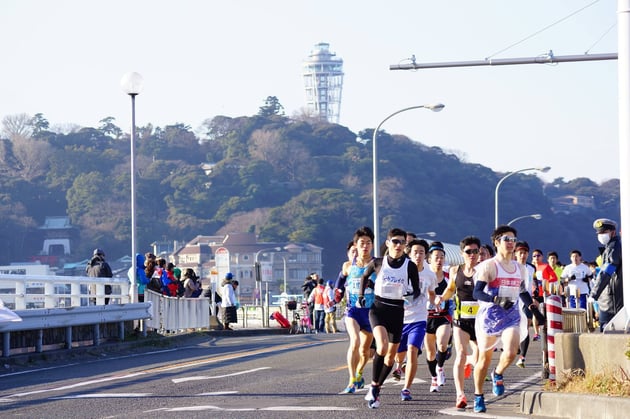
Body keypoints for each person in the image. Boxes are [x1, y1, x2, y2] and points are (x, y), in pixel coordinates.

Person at [471, 225, 544, 413]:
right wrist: (495, 299)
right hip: (490, 317)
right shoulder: (489, 266)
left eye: (513, 240)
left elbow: (522, 292)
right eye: (506, 239)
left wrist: (535, 311)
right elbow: (477, 292)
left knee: (511, 352)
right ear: (497, 242)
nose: (511, 243)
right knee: (483, 360)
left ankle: (498, 373)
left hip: (511, 316)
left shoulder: (520, 268)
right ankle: (478, 395)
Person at [359, 228, 420, 409]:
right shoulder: (378, 262)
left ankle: (376, 387)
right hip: (378, 309)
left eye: (402, 242)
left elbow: (416, 290)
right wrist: (362, 294)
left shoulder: (409, 266)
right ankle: (374, 386)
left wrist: (409, 297)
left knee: (391, 357)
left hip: (397, 311)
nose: (399, 245)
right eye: (395, 241)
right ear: (388, 243)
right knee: (382, 346)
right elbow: (364, 276)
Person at [438, 236, 481, 410]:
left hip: (479, 321)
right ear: (462, 253)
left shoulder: (483, 270)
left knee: (479, 357)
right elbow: (450, 289)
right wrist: (441, 299)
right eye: (469, 252)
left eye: (475, 251)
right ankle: (460, 394)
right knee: (460, 354)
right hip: (460, 320)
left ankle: (471, 362)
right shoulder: (456, 270)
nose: (472, 254)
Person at [394, 238, 437, 402]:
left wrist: (433, 303)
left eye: (421, 252)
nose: (418, 255)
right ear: (409, 254)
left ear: (426, 255)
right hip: (400, 318)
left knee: (413, 350)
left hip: (419, 319)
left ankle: (406, 388)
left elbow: (432, 293)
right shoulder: (401, 272)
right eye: (415, 252)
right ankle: (399, 365)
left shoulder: (429, 275)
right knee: (398, 355)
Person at [336, 227, 375, 394]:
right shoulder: (348, 266)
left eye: (368, 243)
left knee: (365, 351)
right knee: (355, 342)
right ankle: (352, 380)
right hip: (353, 310)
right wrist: (336, 295)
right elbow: (339, 282)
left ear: (372, 245)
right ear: (356, 245)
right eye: (362, 243)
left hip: (371, 312)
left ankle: (359, 373)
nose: (365, 246)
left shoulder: (378, 265)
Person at [424, 241, 453, 393]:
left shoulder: (449, 277)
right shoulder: (424, 276)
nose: (439, 260)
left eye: (442, 257)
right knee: (429, 353)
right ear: (429, 259)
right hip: (427, 317)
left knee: (441, 344)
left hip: (444, 316)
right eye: (436, 257)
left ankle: (440, 367)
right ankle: (434, 378)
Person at [590, 218, 623, 331]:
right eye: (599, 233)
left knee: (609, 336)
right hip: (608, 301)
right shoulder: (609, 247)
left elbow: (606, 272)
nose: (601, 235)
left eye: (604, 232)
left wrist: (594, 293)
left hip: (611, 304)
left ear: (613, 232)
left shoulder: (613, 248)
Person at [514, 241, 536, 368]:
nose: (523, 255)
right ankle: (515, 345)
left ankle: (522, 357)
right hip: (512, 301)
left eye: (525, 253)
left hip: (526, 301)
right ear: (516, 253)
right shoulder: (511, 267)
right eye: (520, 253)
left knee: (525, 327)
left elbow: (532, 284)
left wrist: (535, 296)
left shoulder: (531, 268)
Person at [530, 248, 558, 341]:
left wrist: (545, 282)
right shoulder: (531, 268)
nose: (536, 257)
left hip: (545, 293)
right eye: (534, 256)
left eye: (538, 255)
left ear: (542, 257)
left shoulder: (546, 266)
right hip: (534, 293)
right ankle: (537, 333)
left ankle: (545, 331)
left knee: (544, 313)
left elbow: (554, 277)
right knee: (535, 312)